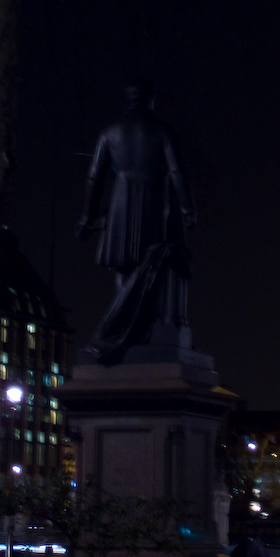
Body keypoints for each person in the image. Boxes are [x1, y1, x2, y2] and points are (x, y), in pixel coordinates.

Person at [77, 80, 196, 363]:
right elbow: (177, 171)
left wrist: (87, 216)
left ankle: (122, 330)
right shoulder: (162, 130)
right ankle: (144, 328)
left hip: (121, 200)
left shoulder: (110, 132)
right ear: (150, 100)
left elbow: (94, 177)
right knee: (155, 264)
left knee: (124, 265)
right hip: (155, 201)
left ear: (128, 100)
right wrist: (188, 207)